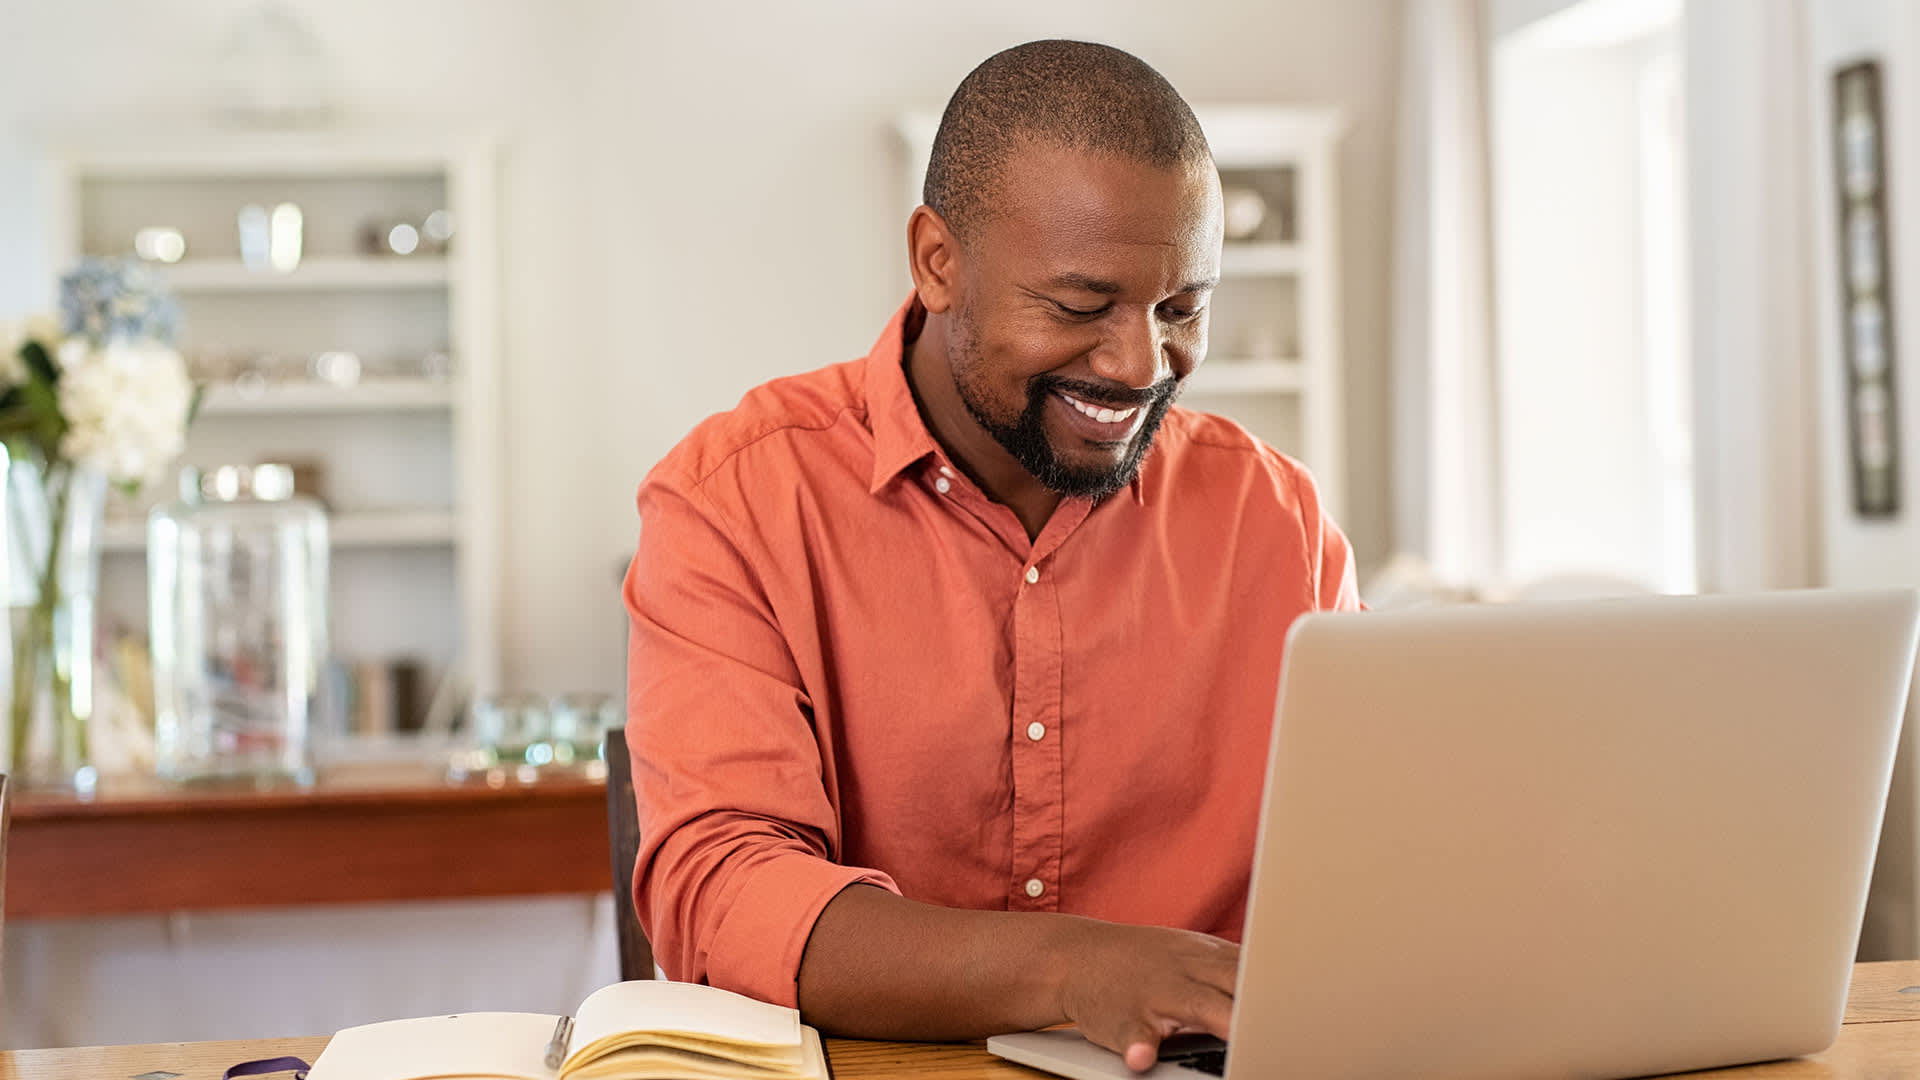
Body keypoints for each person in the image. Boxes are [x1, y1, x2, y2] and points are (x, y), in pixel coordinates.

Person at [623, 39, 1360, 1071]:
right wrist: (1074, 969)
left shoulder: (1276, 521)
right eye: (1080, 306)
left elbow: (1364, 872)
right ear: (937, 262)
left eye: (1181, 309)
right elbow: (724, 892)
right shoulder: (735, 500)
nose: (1141, 364)